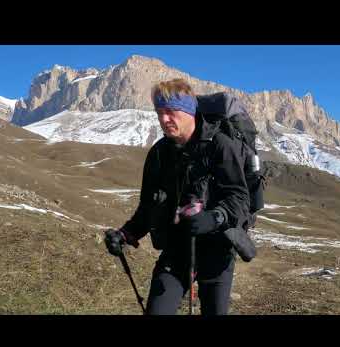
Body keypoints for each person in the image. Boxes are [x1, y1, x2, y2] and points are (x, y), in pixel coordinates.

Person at [104, 78, 250, 315]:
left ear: (188, 110)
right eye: (159, 112)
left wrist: (215, 217)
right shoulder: (159, 154)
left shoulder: (220, 146)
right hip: (177, 247)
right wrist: (126, 234)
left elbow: (240, 198)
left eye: (171, 112)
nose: (164, 119)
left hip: (218, 247)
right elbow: (147, 207)